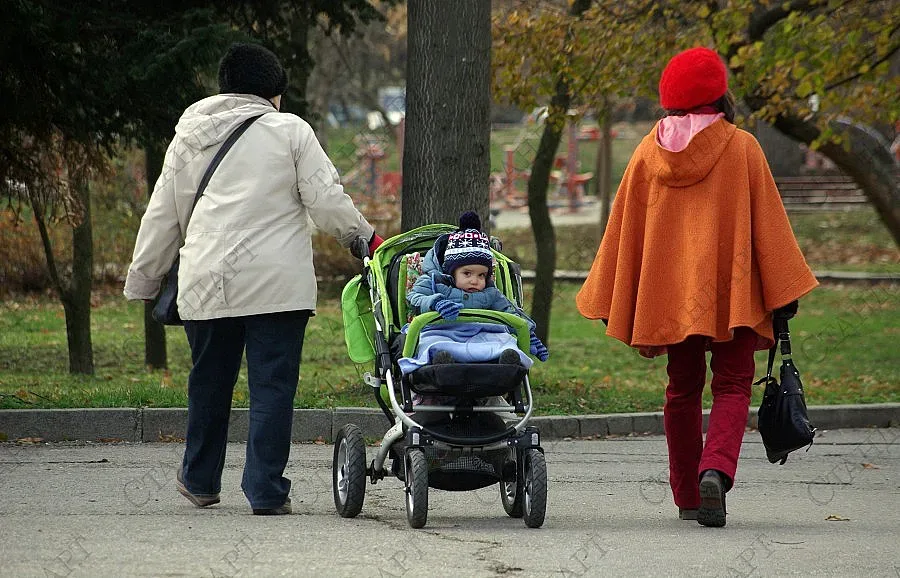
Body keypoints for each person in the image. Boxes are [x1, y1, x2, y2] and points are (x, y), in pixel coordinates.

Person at [123, 42, 383, 515]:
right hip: (277, 286)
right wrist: (363, 237)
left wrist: (144, 279)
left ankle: (200, 481)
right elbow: (325, 199)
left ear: (224, 88)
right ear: (274, 94)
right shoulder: (291, 131)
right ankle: (264, 491)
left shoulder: (189, 135)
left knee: (209, 382)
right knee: (272, 388)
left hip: (207, 282)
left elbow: (164, 213)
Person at [575, 47, 818, 527]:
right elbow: (769, 226)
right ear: (720, 95)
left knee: (681, 390)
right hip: (734, 295)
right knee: (732, 384)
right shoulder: (742, 146)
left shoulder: (647, 153)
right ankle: (716, 471)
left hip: (670, 299)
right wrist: (782, 290)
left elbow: (623, 232)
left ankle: (688, 494)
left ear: (669, 98)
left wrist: (613, 294)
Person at [403, 211, 549, 374]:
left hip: (481, 335)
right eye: (467, 273)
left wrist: (530, 336)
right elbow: (414, 298)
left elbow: (511, 313)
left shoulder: (490, 293)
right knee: (429, 343)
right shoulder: (434, 282)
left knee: (506, 341)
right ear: (451, 272)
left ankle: (506, 364)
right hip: (443, 333)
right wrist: (436, 302)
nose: (475, 280)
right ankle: (442, 363)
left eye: (481, 275)